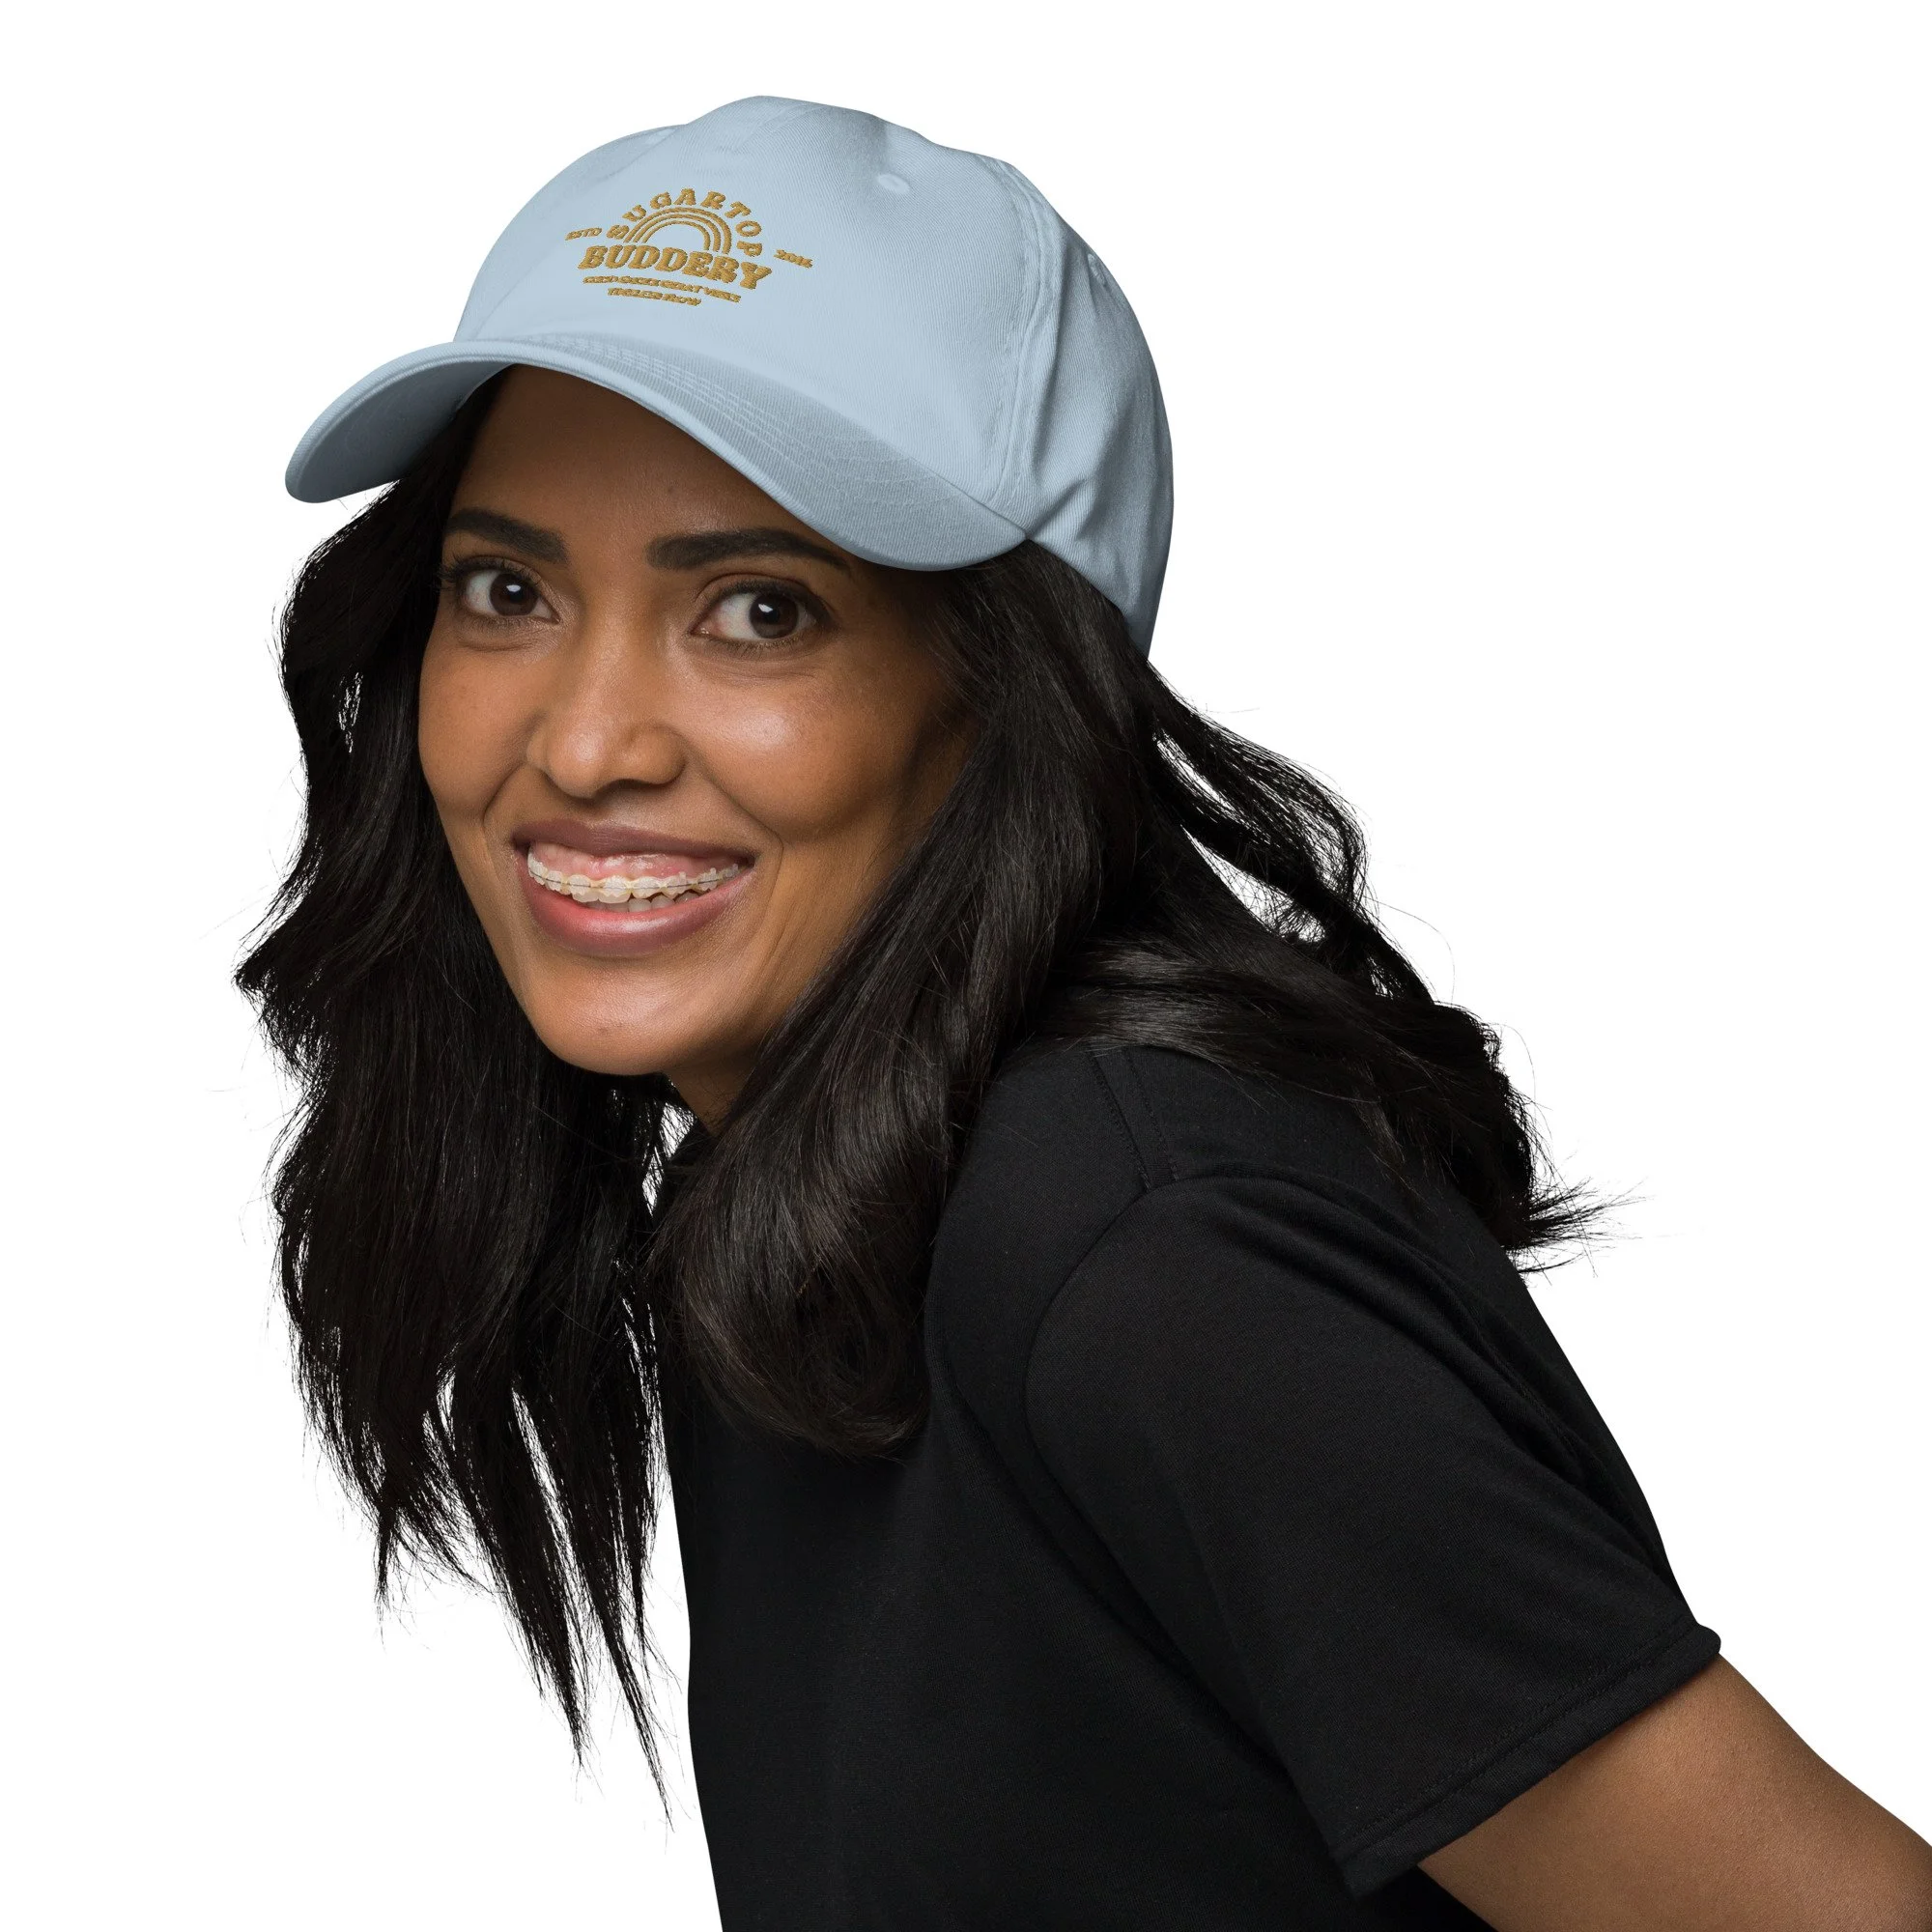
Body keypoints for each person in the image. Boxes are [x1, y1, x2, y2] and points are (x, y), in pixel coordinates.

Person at [242, 97, 1932, 1929]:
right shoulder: (806, 1198)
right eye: (507, 591)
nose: (583, 744)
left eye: (760, 611)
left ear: (1009, 690)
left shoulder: (1150, 1260)